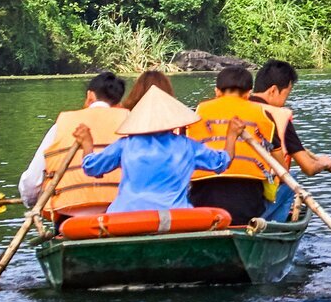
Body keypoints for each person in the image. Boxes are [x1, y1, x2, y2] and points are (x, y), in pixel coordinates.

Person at [75, 87, 242, 214]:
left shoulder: (126, 144)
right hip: (175, 214)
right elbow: (222, 161)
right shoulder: (187, 146)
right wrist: (231, 136)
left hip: (126, 214)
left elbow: (91, 167)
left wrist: (87, 144)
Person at [20, 72, 128, 220]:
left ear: (90, 96)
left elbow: (32, 181)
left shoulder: (62, 125)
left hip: (68, 215)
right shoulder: (132, 124)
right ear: (118, 103)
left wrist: (30, 201)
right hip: (122, 213)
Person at [187, 66, 281, 223]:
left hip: (202, 204)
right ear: (248, 94)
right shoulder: (264, 115)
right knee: (288, 184)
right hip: (249, 206)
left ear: (217, 91)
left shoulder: (195, 114)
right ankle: (273, 229)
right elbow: (280, 166)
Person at [251, 60, 331, 222]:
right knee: (292, 176)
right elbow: (309, 168)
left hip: (219, 192)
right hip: (257, 200)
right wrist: (324, 163)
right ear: (273, 90)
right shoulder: (277, 116)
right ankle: (274, 227)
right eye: (286, 94)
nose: (285, 101)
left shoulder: (236, 109)